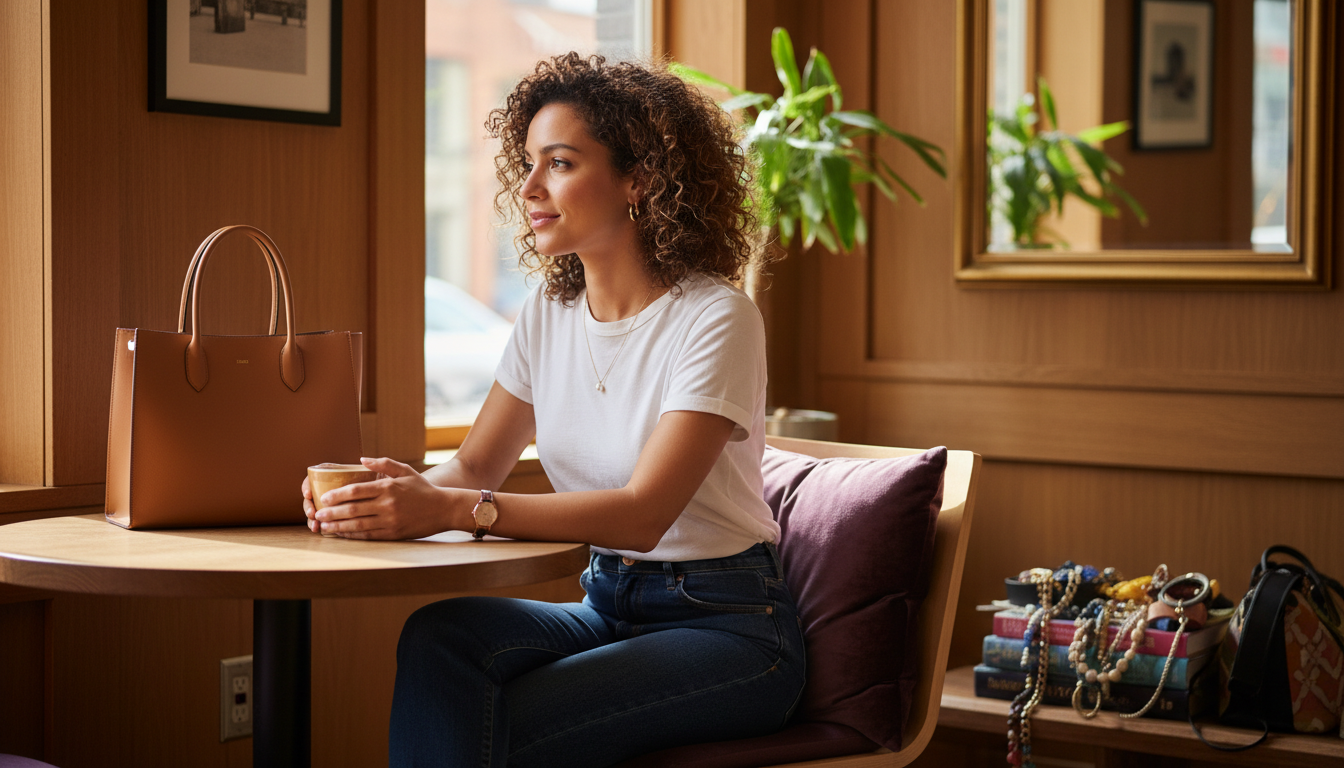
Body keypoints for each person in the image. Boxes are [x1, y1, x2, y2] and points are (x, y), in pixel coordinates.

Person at [302, 52, 806, 768]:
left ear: (641, 179)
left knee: (502, 725)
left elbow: (641, 514)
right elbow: (477, 464)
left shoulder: (717, 318)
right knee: (439, 635)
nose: (530, 187)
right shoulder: (551, 309)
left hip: (729, 628)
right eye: (530, 163)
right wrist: (385, 497)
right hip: (608, 605)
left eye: (560, 163)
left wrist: (451, 511)